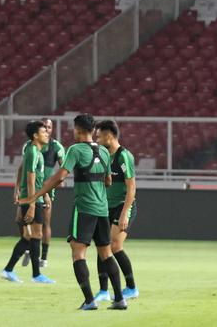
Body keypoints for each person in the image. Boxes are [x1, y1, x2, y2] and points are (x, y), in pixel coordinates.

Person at [20, 113, 126, 311]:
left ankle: (89, 301)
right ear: (93, 130)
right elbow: (108, 181)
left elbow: (59, 177)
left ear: (77, 129)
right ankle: (119, 298)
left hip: (84, 208)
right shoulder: (103, 151)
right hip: (102, 210)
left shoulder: (75, 150)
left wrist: (35, 196)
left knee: (78, 254)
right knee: (106, 253)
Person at [1, 120, 54, 284]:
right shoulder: (32, 151)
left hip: (35, 197)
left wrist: (44, 195)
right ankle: (36, 274)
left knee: (28, 237)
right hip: (32, 199)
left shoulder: (36, 151)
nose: (47, 134)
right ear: (35, 136)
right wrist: (32, 204)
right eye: (44, 132)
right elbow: (31, 180)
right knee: (35, 235)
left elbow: (23, 170)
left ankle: (8, 270)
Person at [94, 119, 138, 302]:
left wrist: (124, 213)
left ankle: (131, 287)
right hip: (106, 206)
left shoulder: (123, 156)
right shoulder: (104, 156)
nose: (97, 139)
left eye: (99, 136)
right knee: (102, 246)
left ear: (109, 136)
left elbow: (131, 188)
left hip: (122, 206)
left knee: (114, 246)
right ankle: (103, 291)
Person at [30, 117, 66, 268]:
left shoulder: (56, 147)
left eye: (49, 127)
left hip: (46, 191)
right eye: (44, 126)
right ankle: (28, 247)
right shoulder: (32, 146)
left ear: (52, 129)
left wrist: (54, 183)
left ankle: (43, 257)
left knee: (45, 223)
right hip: (31, 188)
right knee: (22, 219)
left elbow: (64, 169)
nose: (47, 129)